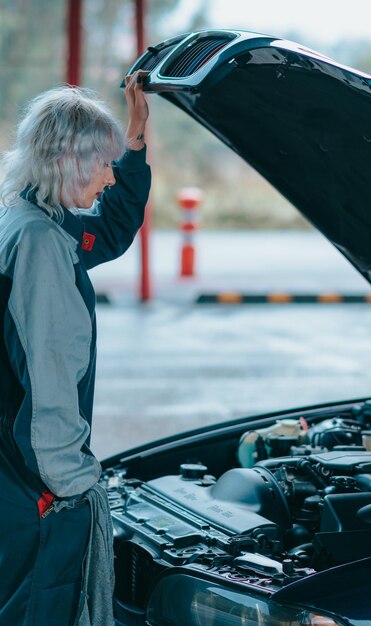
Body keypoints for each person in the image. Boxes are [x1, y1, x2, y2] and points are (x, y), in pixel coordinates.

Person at [0, 71, 151, 625]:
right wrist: (71, 486)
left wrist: (134, 146)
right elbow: (49, 378)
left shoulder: (25, 218)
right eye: (106, 164)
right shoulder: (40, 244)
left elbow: (107, 230)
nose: (111, 178)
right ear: (71, 161)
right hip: (35, 487)